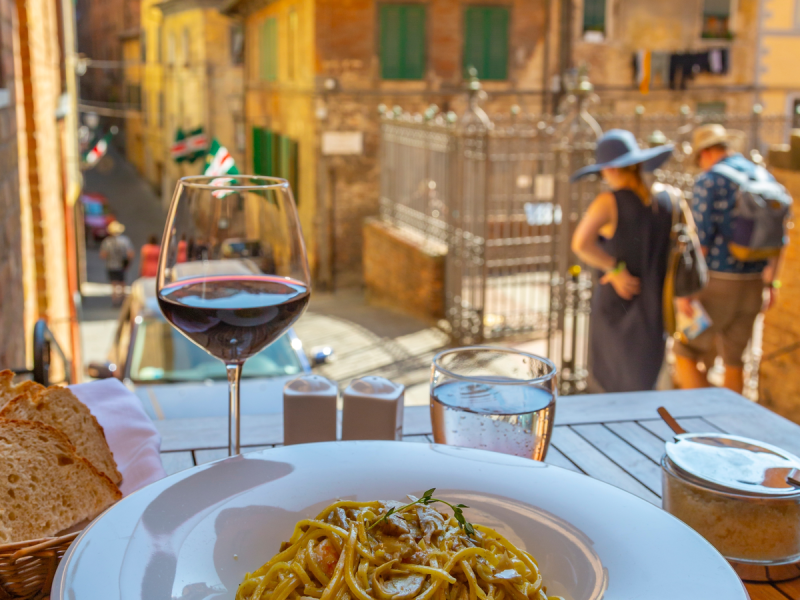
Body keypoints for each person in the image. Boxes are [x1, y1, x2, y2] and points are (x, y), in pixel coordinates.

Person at [673, 124, 784, 393]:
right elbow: (780, 238)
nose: (700, 164)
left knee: (683, 353)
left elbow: (702, 242)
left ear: (708, 152)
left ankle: (708, 415)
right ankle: (729, 428)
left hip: (717, 284)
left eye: (699, 158)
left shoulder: (709, 181)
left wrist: (685, 291)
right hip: (755, 283)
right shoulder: (763, 176)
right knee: (735, 361)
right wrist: (772, 285)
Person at [570, 129, 675, 393]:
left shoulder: (609, 202)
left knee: (609, 386)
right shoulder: (666, 200)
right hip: (654, 306)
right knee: (642, 384)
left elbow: (580, 244)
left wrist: (613, 268)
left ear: (612, 169)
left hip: (618, 307)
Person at [99, 220, 134, 306]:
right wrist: (127, 262)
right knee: (122, 284)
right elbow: (130, 254)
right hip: (121, 265)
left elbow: (103, 255)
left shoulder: (107, 241)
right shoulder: (125, 240)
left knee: (114, 284)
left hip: (111, 265)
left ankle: (115, 301)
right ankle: (123, 300)